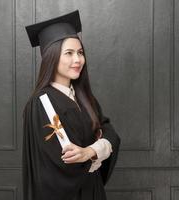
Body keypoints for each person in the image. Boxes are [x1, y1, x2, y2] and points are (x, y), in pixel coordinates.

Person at [23, 10, 121, 200]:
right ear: (51, 57)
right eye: (69, 53)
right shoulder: (42, 104)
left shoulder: (85, 98)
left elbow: (111, 133)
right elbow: (63, 160)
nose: (78, 60)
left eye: (80, 52)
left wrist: (90, 151)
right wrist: (98, 149)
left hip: (93, 192)